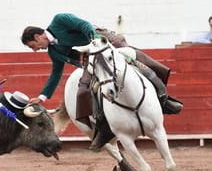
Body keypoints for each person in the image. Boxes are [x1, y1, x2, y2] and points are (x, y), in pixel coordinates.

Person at [21, 13, 183, 149]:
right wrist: (42, 97)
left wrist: (95, 42)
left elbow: (84, 25)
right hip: (92, 65)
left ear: (37, 36)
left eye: (33, 46)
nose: (35, 50)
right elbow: (56, 73)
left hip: (108, 44)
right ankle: (102, 127)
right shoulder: (53, 52)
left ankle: (164, 100)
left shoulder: (59, 20)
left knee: (142, 64)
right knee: (85, 90)